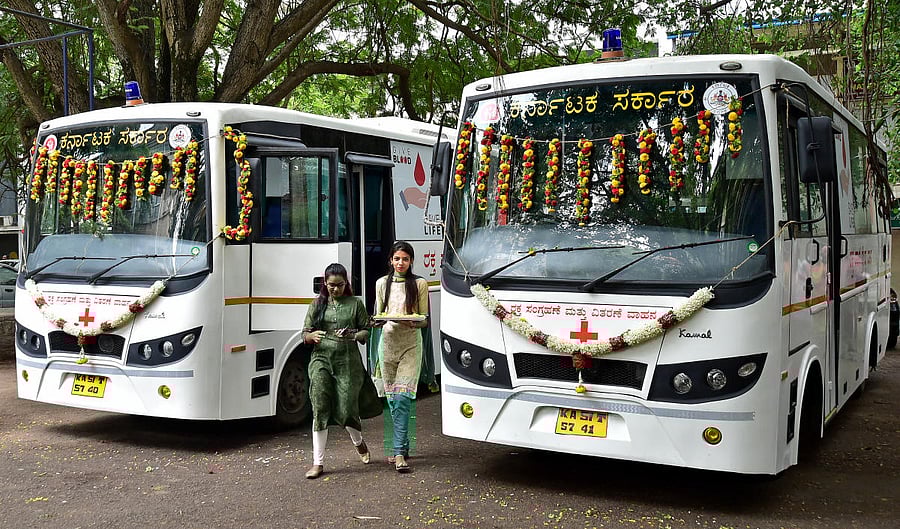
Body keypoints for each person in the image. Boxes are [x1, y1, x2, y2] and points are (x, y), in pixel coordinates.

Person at [302, 263, 376, 479]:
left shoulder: (355, 304)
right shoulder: (317, 305)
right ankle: (318, 463)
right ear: (325, 283)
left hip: (348, 361)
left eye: (340, 285)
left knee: (346, 409)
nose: (335, 289)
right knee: (320, 405)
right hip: (321, 359)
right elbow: (304, 332)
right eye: (331, 285)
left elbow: (366, 330)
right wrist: (311, 337)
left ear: (346, 284)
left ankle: (359, 442)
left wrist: (353, 335)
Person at [372, 241, 429, 473]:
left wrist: (411, 322)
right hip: (387, 345)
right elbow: (378, 316)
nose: (401, 263)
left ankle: (398, 453)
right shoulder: (381, 284)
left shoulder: (420, 284)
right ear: (391, 261)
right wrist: (381, 320)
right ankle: (402, 445)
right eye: (397, 259)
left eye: (405, 259)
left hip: (411, 345)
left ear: (411, 261)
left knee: (404, 397)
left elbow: (424, 319)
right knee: (392, 399)